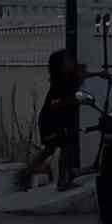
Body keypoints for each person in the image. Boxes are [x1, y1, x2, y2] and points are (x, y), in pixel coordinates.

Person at [31, 49, 86, 188]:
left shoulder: (69, 78)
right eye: (68, 60)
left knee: (57, 148)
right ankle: (59, 181)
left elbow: (83, 74)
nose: (72, 61)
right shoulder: (59, 83)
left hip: (57, 121)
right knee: (55, 148)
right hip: (50, 121)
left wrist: (99, 74)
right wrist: (72, 101)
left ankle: (27, 174)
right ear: (60, 65)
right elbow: (55, 104)